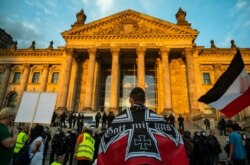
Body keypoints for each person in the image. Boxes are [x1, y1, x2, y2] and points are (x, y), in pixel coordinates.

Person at [97, 87, 189, 165]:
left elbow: (105, 144)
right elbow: (177, 140)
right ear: (144, 100)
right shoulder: (157, 118)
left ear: (130, 100)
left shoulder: (119, 119)